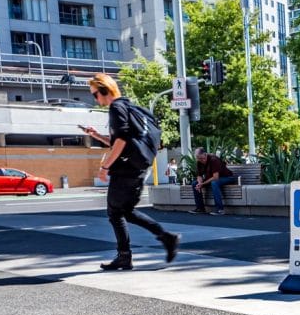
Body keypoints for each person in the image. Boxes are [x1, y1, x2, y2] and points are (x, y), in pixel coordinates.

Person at [83, 73, 180, 270]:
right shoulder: (129, 106)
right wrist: (97, 136)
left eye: (95, 95)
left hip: (126, 168)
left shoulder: (116, 107)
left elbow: (121, 141)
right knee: (124, 212)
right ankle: (164, 238)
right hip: (137, 166)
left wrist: (104, 167)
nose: (95, 99)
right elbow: (124, 139)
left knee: (115, 212)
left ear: (104, 91)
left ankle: (126, 255)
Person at [192, 147, 237, 215]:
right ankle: (200, 208)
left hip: (227, 177)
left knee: (214, 183)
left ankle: (220, 209)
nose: (202, 160)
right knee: (195, 183)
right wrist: (199, 183)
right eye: (199, 159)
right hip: (214, 178)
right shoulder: (199, 161)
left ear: (205, 154)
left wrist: (203, 184)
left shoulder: (213, 159)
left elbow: (215, 177)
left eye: (202, 158)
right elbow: (199, 175)